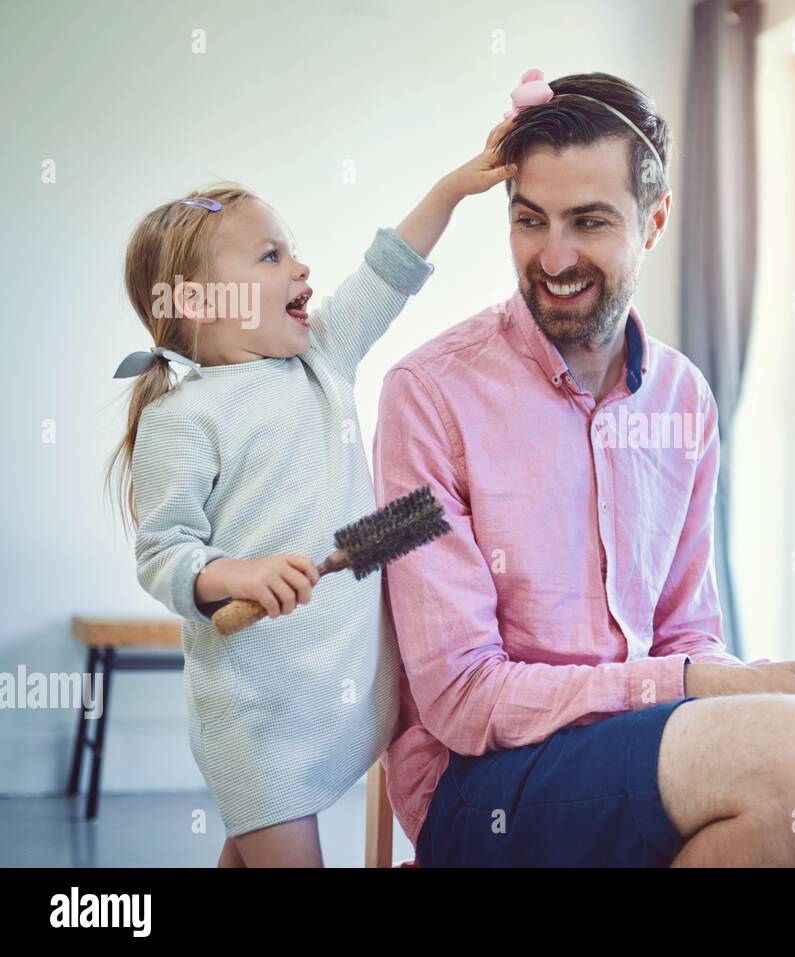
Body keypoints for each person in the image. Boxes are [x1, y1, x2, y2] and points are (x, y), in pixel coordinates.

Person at [375, 71, 795, 867]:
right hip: (484, 783)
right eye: (530, 220)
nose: (554, 255)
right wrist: (693, 687)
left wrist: (710, 682)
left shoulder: (682, 397)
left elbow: (686, 632)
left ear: (654, 220)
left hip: (643, 742)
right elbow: (463, 698)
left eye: (590, 221)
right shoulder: (428, 394)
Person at [106, 119, 519, 866]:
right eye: (272, 255)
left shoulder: (321, 358)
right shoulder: (183, 416)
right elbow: (164, 552)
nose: (302, 268)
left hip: (336, 690)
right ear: (200, 302)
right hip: (258, 715)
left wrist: (456, 188)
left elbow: (386, 271)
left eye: (293, 250)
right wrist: (238, 573)